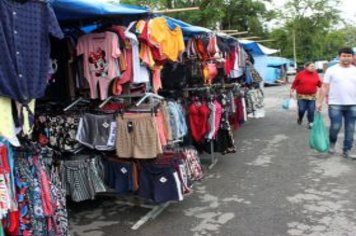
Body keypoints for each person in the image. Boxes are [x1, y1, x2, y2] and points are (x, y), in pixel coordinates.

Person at [317, 47, 356, 159]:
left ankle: (347, 150)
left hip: (353, 104)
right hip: (335, 104)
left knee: (350, 128)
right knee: (335, 126)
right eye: (344, 56)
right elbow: (324, 87)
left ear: (352, 57)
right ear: (339, 56)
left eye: (349, 56)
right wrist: (319, 102)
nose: (346, 58)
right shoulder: (331, 70)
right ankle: (332, 143)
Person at [291, 62, 322, 129]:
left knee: (311, 110)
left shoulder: (316, 74)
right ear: (306, 67)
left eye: (314, 66)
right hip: (301, 96)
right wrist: (292, 90)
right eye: (311, 66)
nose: (313, 67)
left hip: (312, 96)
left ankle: (310, 122)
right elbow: (295, 83)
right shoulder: (300, 74)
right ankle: (300, 118)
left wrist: (324, 87)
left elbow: (319, 83)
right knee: (301, 109)